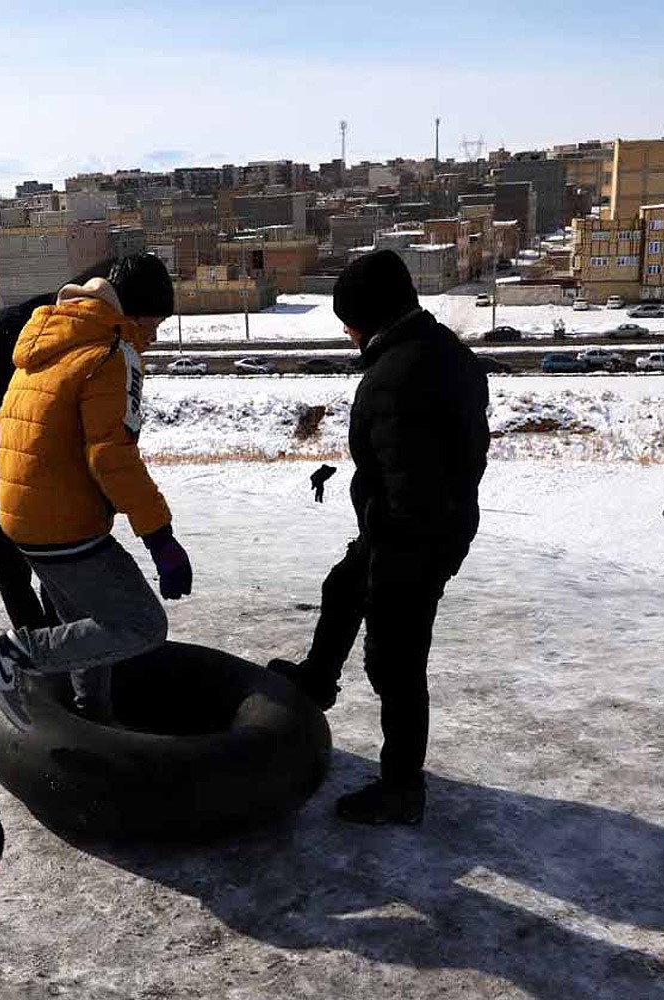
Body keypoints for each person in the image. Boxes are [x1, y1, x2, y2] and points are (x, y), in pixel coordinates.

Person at [268, 250, 489, 826]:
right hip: (425, 525)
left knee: (396, 663)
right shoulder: (446, 353)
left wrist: (390, 568)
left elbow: (408, 487)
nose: (346, 333)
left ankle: (401, 789)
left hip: (410, 539)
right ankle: (318, 679)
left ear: (369, 318)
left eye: (348, 321)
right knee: (342, 588)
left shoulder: (396, 379)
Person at [0, 254, 191, 727]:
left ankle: (93, 717)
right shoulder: (111, 353)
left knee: (84, 631)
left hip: (24, 522)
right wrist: (160, 538)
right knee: (141, 626)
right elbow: (111, 457)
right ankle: (10, 655)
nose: (155, 335)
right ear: (133, 312)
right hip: (64, 526)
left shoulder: (46, 342)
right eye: (155, 322)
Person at [0, 259, 115, 630]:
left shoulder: (87, 328)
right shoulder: (30, 326)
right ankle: (37, 645)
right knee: (12, 555)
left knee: (54, 550)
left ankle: (54, 637)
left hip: (28, 437)